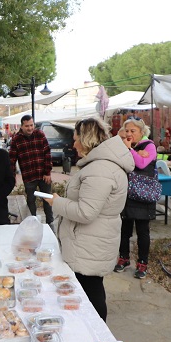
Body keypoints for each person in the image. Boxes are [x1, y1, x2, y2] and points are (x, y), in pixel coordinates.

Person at [43, 118, 134, 321]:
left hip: (90, 243)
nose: (73, 144)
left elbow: (86, 212)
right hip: (92, 241)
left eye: (75, 139)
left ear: (86, 139)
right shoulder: (100, 166)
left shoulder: (100, 169)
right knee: (91, 290)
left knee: (90, 293)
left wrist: (57, 202)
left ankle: (98, 339)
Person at [114, 116, 157, 279]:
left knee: (142, 231)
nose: (129, 133)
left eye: (133, 131)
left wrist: (131, 150)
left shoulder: (150, 146)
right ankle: (123, 258)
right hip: (127, 193)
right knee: (124, 229)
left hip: (143, 194)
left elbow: (141, 164)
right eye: (127, 130)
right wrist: (132, 149)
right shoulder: (126, 145)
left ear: (141, 132)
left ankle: (142, 263)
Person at [9, 115, 54, 224]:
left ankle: (50, 223)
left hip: (43, 175)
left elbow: (47, 153)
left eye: (31, 125)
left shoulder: (40, 134)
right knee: (30, 201)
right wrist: (12, 177)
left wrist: (47, 172)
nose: (29, 128)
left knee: (47, 200)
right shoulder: (16, 139)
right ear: (22, 126)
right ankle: (32, 223)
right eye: (27, 126)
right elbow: (12, 160)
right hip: (28, 176)